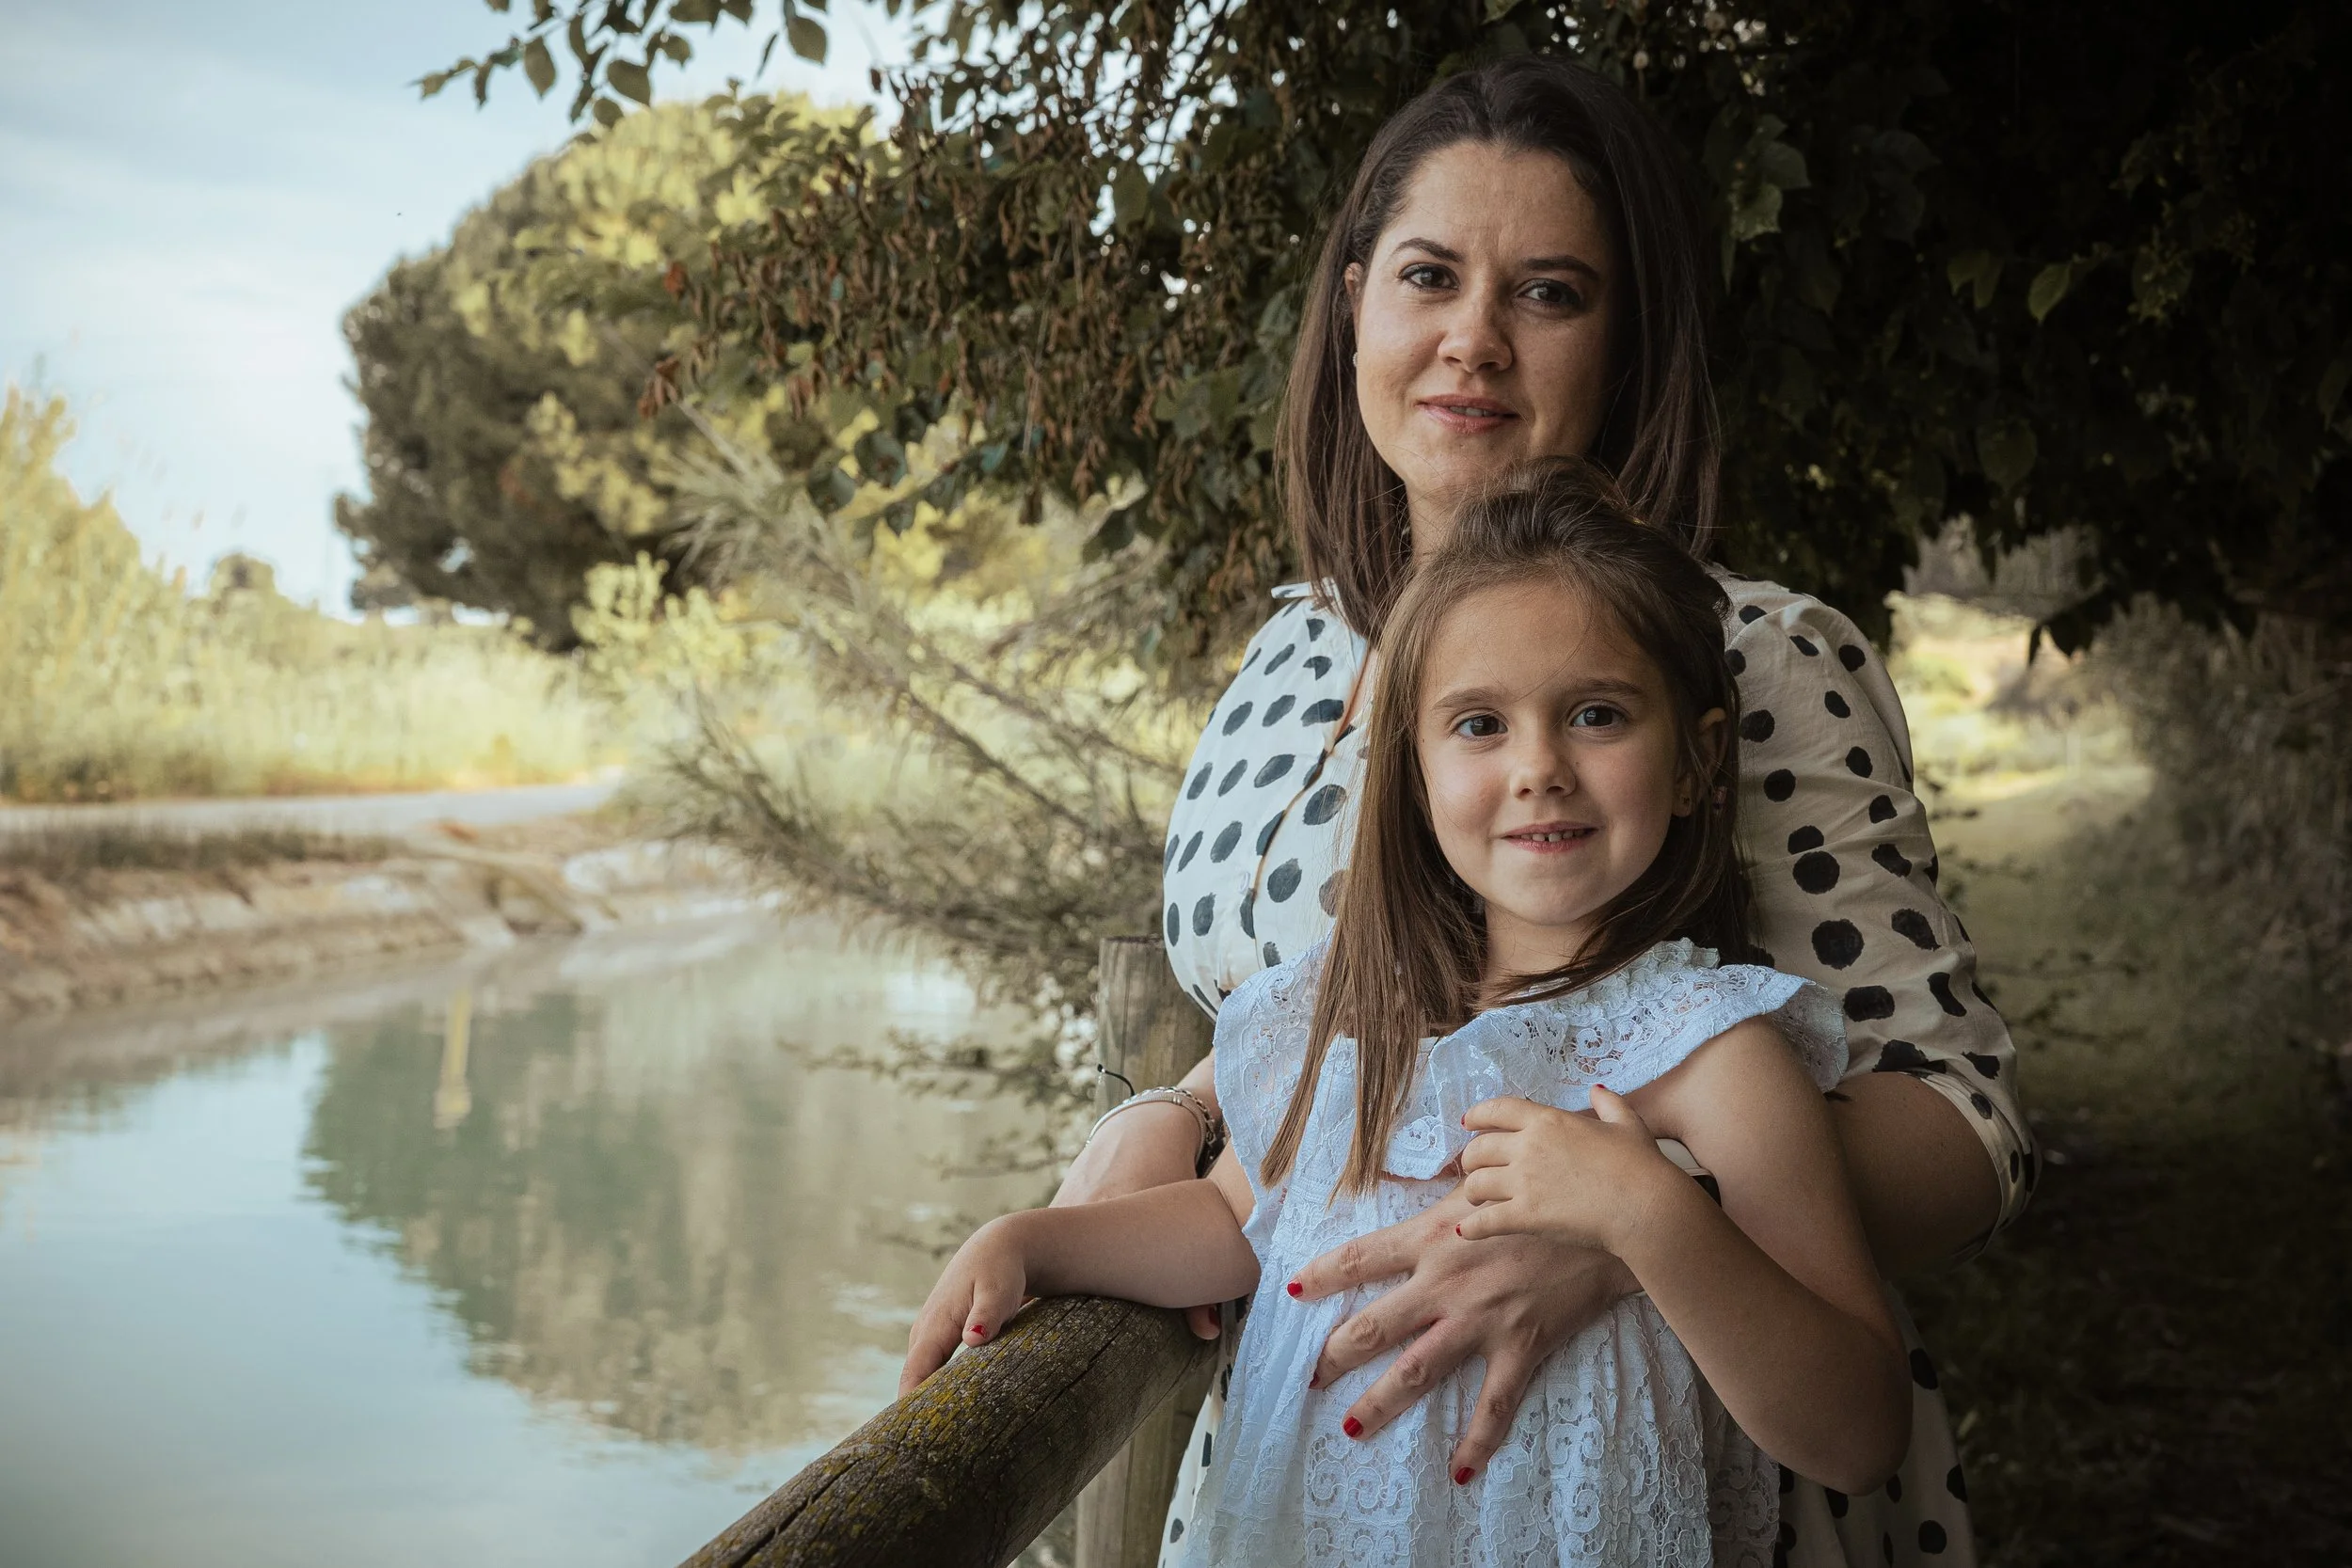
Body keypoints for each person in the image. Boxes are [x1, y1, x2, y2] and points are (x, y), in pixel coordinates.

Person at [1060, 54, 2032, 1568]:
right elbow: (1340, 999)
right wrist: (1175, 1111)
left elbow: (1962, 1125)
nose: (1472, 341)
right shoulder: (1288, 655)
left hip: (1672, 1464)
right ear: (1356, 306)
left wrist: (1638, 1226)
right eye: (1430, 276)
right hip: (1329, 1469)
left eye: (1551, 293)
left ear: (1626, 338)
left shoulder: (1754, 656)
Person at [905, 465, 1911, 1563]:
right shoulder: (1338, 1017)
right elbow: (1235, 1226)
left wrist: (1652, 1214)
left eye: (1596, 713)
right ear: (1416, 770)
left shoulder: (1714, 1057)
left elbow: (1858, 1432)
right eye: (1479, 723)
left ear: (1695, 760)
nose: (1539, 768)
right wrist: (1031, 1241)